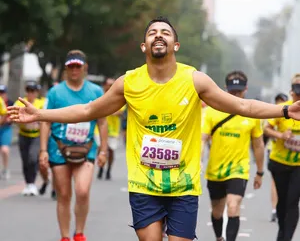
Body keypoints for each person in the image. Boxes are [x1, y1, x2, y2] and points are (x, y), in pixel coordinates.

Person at [7, 17, 300, 241]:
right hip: (144, 183)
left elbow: (244, 107)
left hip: (184, 184)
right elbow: (87, 110)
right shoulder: (128, 83)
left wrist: (285, 110)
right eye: (151, 33)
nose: (158, 35)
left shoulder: (194, 80)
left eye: (165, 32)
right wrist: (39, 113)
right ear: (144, 46)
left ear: (175, 45)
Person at [38, 50, 108, 241]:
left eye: (78, 66)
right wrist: (43, 150)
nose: (74, 70)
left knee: (82, 191)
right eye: (71, 66)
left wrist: (103, 150)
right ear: (66, 69)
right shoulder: (55, 92)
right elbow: (45, 121)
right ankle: (65, 236)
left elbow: (102, 121)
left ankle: (79, 233)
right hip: (58, 148)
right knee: (64, 195)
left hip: (86, 148)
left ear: (84, 67)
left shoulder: (95, 91)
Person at [202, 71, 264, 241]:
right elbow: (202, 139)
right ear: (225, 88)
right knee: (216, 211)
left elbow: (258, 144)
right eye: (232, 91)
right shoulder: (211, 111)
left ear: (246, 89)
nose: (235, 94)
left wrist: (260, 171)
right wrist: (197, 161)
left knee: (233, 206)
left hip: (239, 168)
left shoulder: (252, 114)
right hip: (215, 170)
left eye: (239, 91)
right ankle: (218, 238)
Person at [264, 75, 300, 241]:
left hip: (298, 166)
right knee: (282, 202)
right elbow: (266, 129)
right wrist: (280, 135)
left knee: (293, 202)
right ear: (291, 92)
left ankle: (286, 238)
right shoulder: (282, 108)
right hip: (279, 162)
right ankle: (282, 231)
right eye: (296, 92)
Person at [14, 81, 44, 195]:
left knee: (32, 158)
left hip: (36, 135)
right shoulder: (20, 103)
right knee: (25, 160)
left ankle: (32, 183)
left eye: (33, 91)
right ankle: (28, 184)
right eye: (28, 91)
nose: (30, 93)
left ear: (37, 92)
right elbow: (14, 117)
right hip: (23, 134)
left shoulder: (41, 103)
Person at [97, 77, 126, 180]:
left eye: (111, 84)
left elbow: (120, 112)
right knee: (100, 148)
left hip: (113, 130)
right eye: (108, 84)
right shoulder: (99, 95)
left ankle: (109, 169)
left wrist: (106, 110)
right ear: (104, 85)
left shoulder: (118, 97)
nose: (109, 86)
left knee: (111, 150)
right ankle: (101, 167)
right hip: (99, 129)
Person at [267, 92, 288, 222]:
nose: (279, 103)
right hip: (274, 152)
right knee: (275, 182)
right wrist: (280, 136)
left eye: (282, 101)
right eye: (277, 101)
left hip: (293, 155)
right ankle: (275, 209)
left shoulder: (290, 113)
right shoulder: (271, 113)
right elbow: (266, 131)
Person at [0, 85, 10, 179]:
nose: (1, 94)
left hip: (5, 129)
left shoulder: (9, 103)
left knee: (4, 150)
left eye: (2, 92)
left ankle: (6, 168)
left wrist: (5, 120)